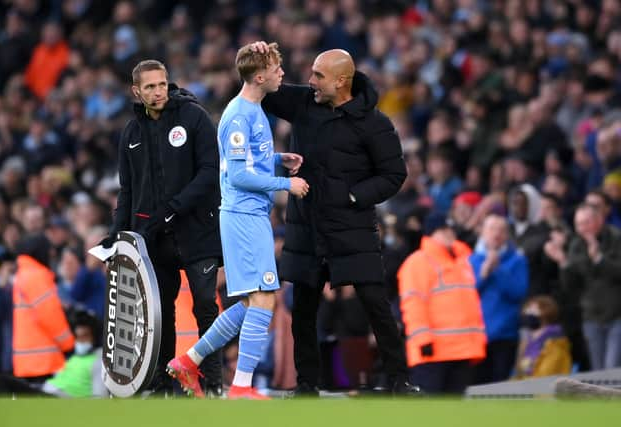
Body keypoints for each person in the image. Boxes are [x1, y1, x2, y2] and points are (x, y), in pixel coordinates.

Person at [254, 43, 418, 394]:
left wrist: (353, 196)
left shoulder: (374, 123)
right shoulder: (303, 103)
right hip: (306, 226)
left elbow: (393, 174)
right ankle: (306, 384)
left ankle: (400, 381)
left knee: (376, 304)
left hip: (351, 226)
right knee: (303, 310)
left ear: (343, 81)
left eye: (319, 75)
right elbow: (263, 90)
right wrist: (259, 59)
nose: (310, 81)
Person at [167, 43, 308, 400]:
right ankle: (242, 386)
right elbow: (240, 176)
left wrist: (277, 159)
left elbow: (243, 162)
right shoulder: (238, 115)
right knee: (265, 302)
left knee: (249, 304)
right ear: (260, 76)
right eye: (277, 68)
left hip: (249, 215)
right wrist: (285, 184)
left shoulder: (253, 110)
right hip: (244, 216)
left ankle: (189, 359)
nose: (282, 74)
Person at [100, 59, 223, 394]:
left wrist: (173, 208)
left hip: (196, 230)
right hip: (155, 237)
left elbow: (211, 172)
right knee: (159, 313)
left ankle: (213, 382)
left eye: (162, 84)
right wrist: (117, 235)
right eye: (150, 86)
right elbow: (128, 190)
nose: (158, 92)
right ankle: (164, 384)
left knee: (205, 306)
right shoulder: (131, 133)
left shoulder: (194, 117)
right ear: (136, 91)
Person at [397, 212, 486, 394]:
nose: (448, 233)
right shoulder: (418, 262)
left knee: (453, 413)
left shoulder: (463, 261)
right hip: (433, 352)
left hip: (463, 350)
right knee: (430, 413)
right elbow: (413, 304)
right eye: (442, 229)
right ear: (430, 233)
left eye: (450, 228)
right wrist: (423, 340)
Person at [544, 203, 621, 370]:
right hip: (591, 317)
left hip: (617, 316)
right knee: (599, 372)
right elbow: (571, 286)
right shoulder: (577, 245)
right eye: (578, 224)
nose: (582, 228)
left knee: (613, 369)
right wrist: (562, 261)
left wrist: (599, 260)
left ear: (599, 219)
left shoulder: (616, 238)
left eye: (586, 223)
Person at [469, 214, 529, 384]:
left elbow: (519, 293)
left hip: (505, 335)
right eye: (492, 229)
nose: (497, 233)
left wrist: (498, 270)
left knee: (499, 386)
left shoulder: (517, 260)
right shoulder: (471, 260)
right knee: (476, 386)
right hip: (477, 335)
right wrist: (484, 273)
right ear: (482, 232)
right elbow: (468, 294)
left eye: (502, 230)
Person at [12, 234, 75, 381]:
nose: (52, 253)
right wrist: (69, 345)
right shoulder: (36, 275)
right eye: (48, 249)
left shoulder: (24, 273)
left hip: (29, 360)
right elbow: (50, 315)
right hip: (43, 362)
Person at [41, 310, 108, 397]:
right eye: (77, 337)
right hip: (45, 393)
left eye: (85, 336)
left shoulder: (99, 362)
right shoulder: (71, 358)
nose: (80, 341)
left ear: (94, 337)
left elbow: (100, 397)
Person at [513, 295, 572, 379]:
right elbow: (520, 374)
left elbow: (545, 376)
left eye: (532, 310)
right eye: (527, 310)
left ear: (546, 313)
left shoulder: (555, 343)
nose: (527, 313)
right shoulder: (528, 343)